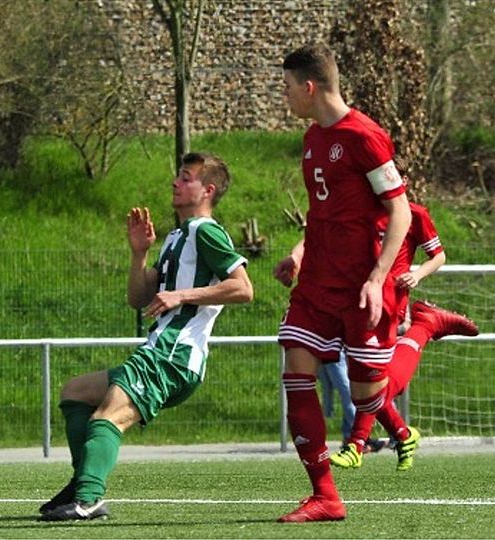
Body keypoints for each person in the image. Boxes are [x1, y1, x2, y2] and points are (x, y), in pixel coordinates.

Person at [37, 152, 253, 521]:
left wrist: (181, 295)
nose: (176, 182)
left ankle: (88, 498)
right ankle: (81, 484)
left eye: (186, 178)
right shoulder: (176, 237)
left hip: (174, 355)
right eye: (178, 176)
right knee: (75, 392)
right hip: (159, 351)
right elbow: (138, 298)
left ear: (208, 190)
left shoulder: (206, 231)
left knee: (106, 418)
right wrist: (139, 255)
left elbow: (244, 288)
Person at [273, 43, 414, 523]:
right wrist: (298, 252)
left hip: (361, 287)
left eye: (288, 88)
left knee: (367, 395)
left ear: (309, 88)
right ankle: (326, 496)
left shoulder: (365, 137)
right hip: (316, 282)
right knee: (295, 365)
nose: (285, 97)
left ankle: (422, 330)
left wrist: (378, 278)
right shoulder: (313, 138)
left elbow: (399, 211)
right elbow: (322, 215)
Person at [328, 169, 479, 470]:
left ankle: (359, 443)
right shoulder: (361, 215)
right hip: (359, 305)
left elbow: (438, 256)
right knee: (369, 384)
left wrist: (417, 274)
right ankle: (398, 433)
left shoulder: (412, 214)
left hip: (389, 307)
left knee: (370, 384)